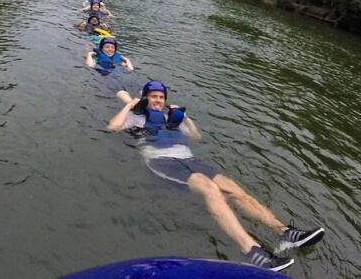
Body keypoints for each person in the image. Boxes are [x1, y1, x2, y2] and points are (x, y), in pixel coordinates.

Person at [107, 80, 325, 272]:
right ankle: (253, 252)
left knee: (235, 189)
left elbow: (196, 136)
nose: (157, 101)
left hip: (190, 160)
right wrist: (129, 105)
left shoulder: (171, 118)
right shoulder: (137, 117)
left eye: (161, 97)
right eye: (153, 97)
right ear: (146, 98)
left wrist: (186, 117)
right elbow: (112, 127)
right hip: (161, 161)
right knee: (210, 189)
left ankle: (285, 232)